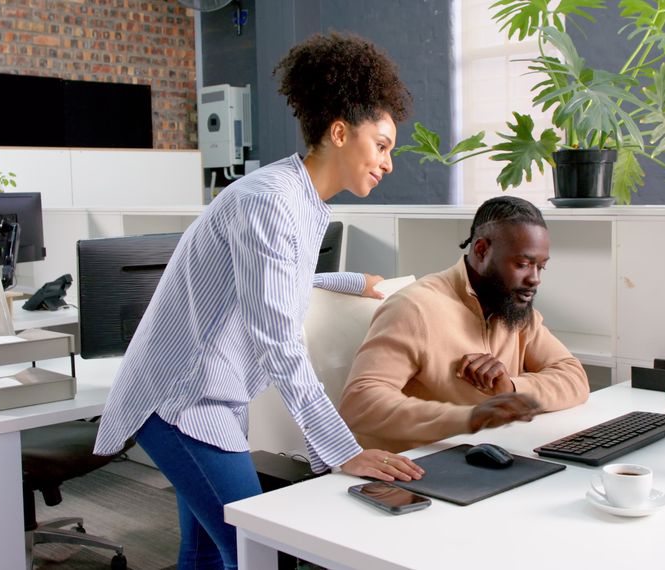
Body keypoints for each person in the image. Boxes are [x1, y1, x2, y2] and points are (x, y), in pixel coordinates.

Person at [93, 33, 423, 569]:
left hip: (207, 398)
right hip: (182, 403)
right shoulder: (271, 202)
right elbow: (278, 341)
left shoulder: (297, 199)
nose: (388, 162)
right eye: (382, 145)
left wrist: (351, 281)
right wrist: (342, 451)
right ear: (340, 132)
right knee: (259, 551)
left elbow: (276, 280)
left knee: (205, 551)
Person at [338, 196, 590, 453]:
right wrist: (468, 417)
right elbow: (360, 403)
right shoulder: (414, 307)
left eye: (541, 267)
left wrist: (511, 388)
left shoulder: (515, 308)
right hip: (416, 466)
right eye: (523, 265)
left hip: (489, 456)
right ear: (481, 250)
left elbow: (574, 377)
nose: (534, 279)